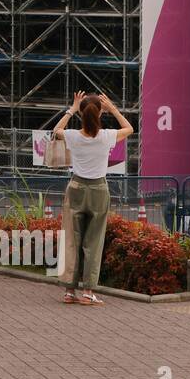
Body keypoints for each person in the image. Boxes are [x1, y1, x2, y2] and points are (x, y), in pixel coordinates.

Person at [52, 92, 134, 305]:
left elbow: (56, 130)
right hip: (98, 188)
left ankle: (69, 291)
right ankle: (88, 291)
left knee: (72, 239)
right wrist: (113, 109)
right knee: (93, 242)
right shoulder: (106, 136)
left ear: (81, 113)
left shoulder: (73, 136)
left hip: (76, 187)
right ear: (100, 113)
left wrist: (72, 107)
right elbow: (130, 128)